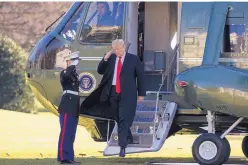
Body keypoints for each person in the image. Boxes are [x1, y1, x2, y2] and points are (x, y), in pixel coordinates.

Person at [97, 39, 146, 157]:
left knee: (124, 118)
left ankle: (122, 146)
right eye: (114, 49)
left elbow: (141, 76)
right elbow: (100, 71)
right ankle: (128, 137)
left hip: (128, 93)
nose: (117, 52)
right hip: (113, 92)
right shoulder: (112, 58)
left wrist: (141, 93)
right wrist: (105, 58)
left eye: (118, 49)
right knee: (117, 117)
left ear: (123, 47)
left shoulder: (133, 59)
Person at [57, 51, 81, 164]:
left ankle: (69, 157)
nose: (76, 64)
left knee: (71, 133)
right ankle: (63, 157)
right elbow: (66, 76)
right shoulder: (65, 72)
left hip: (74, 106)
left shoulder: (74, 73)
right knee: (65, 132)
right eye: (73, 61)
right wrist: (71, 65)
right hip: (67, 105)